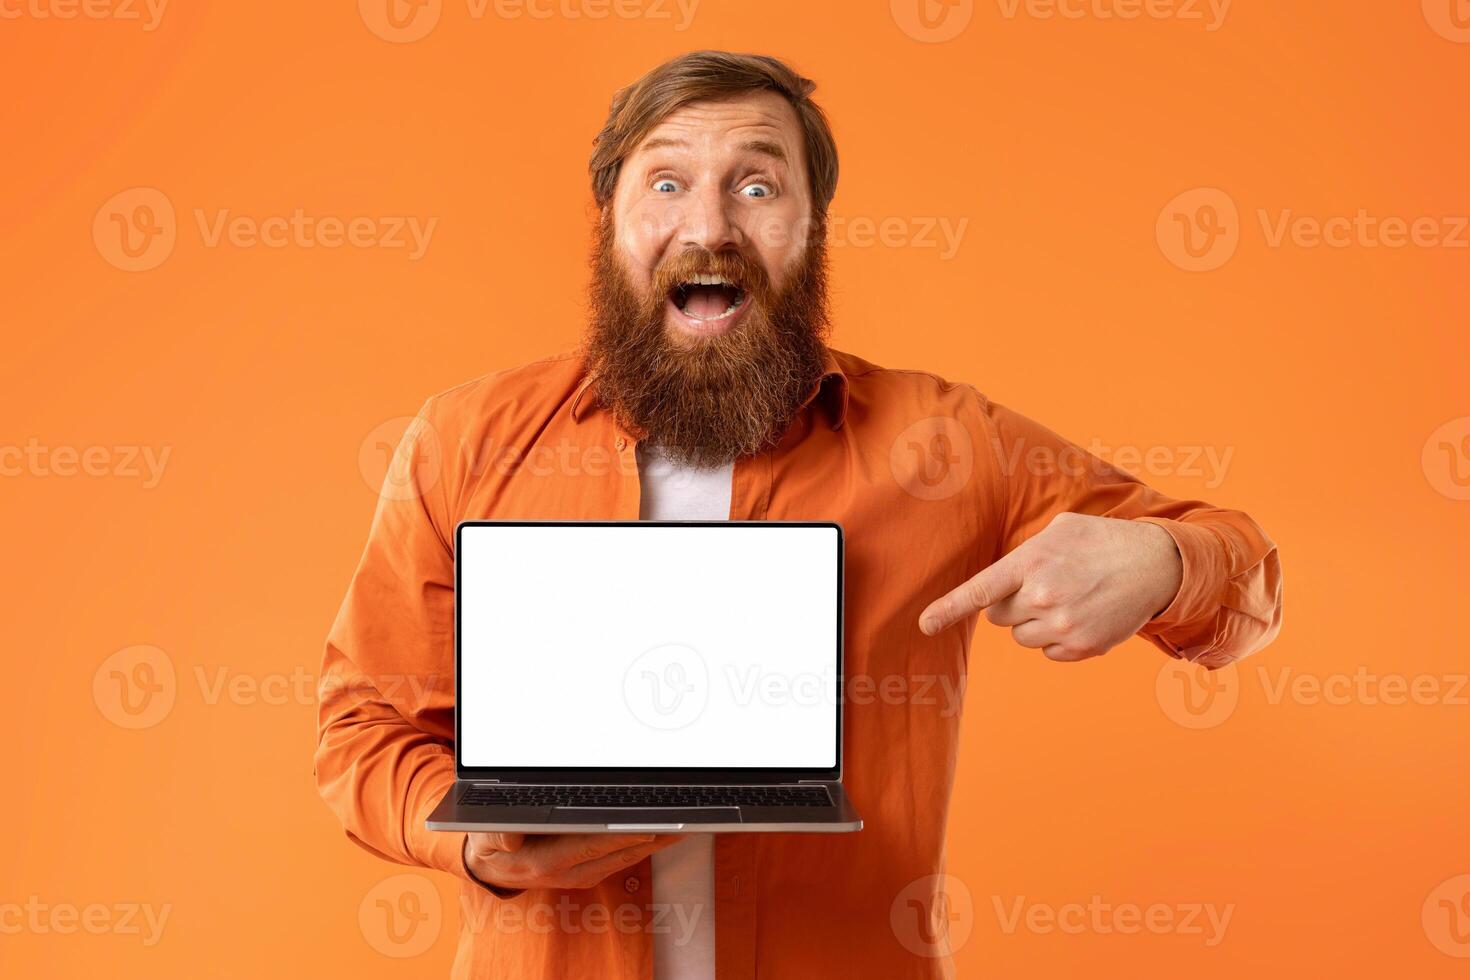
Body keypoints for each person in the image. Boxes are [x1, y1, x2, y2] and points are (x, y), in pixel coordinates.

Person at [315, 49, 1282, 980]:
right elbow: (362, 725)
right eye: (665, 184)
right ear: (607, 217)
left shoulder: (944, 445)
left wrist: (1162, 561)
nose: (710, 228)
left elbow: (1247, 574)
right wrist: (473, 839)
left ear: (813, 226)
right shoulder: (467, 442)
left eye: (757, 186)